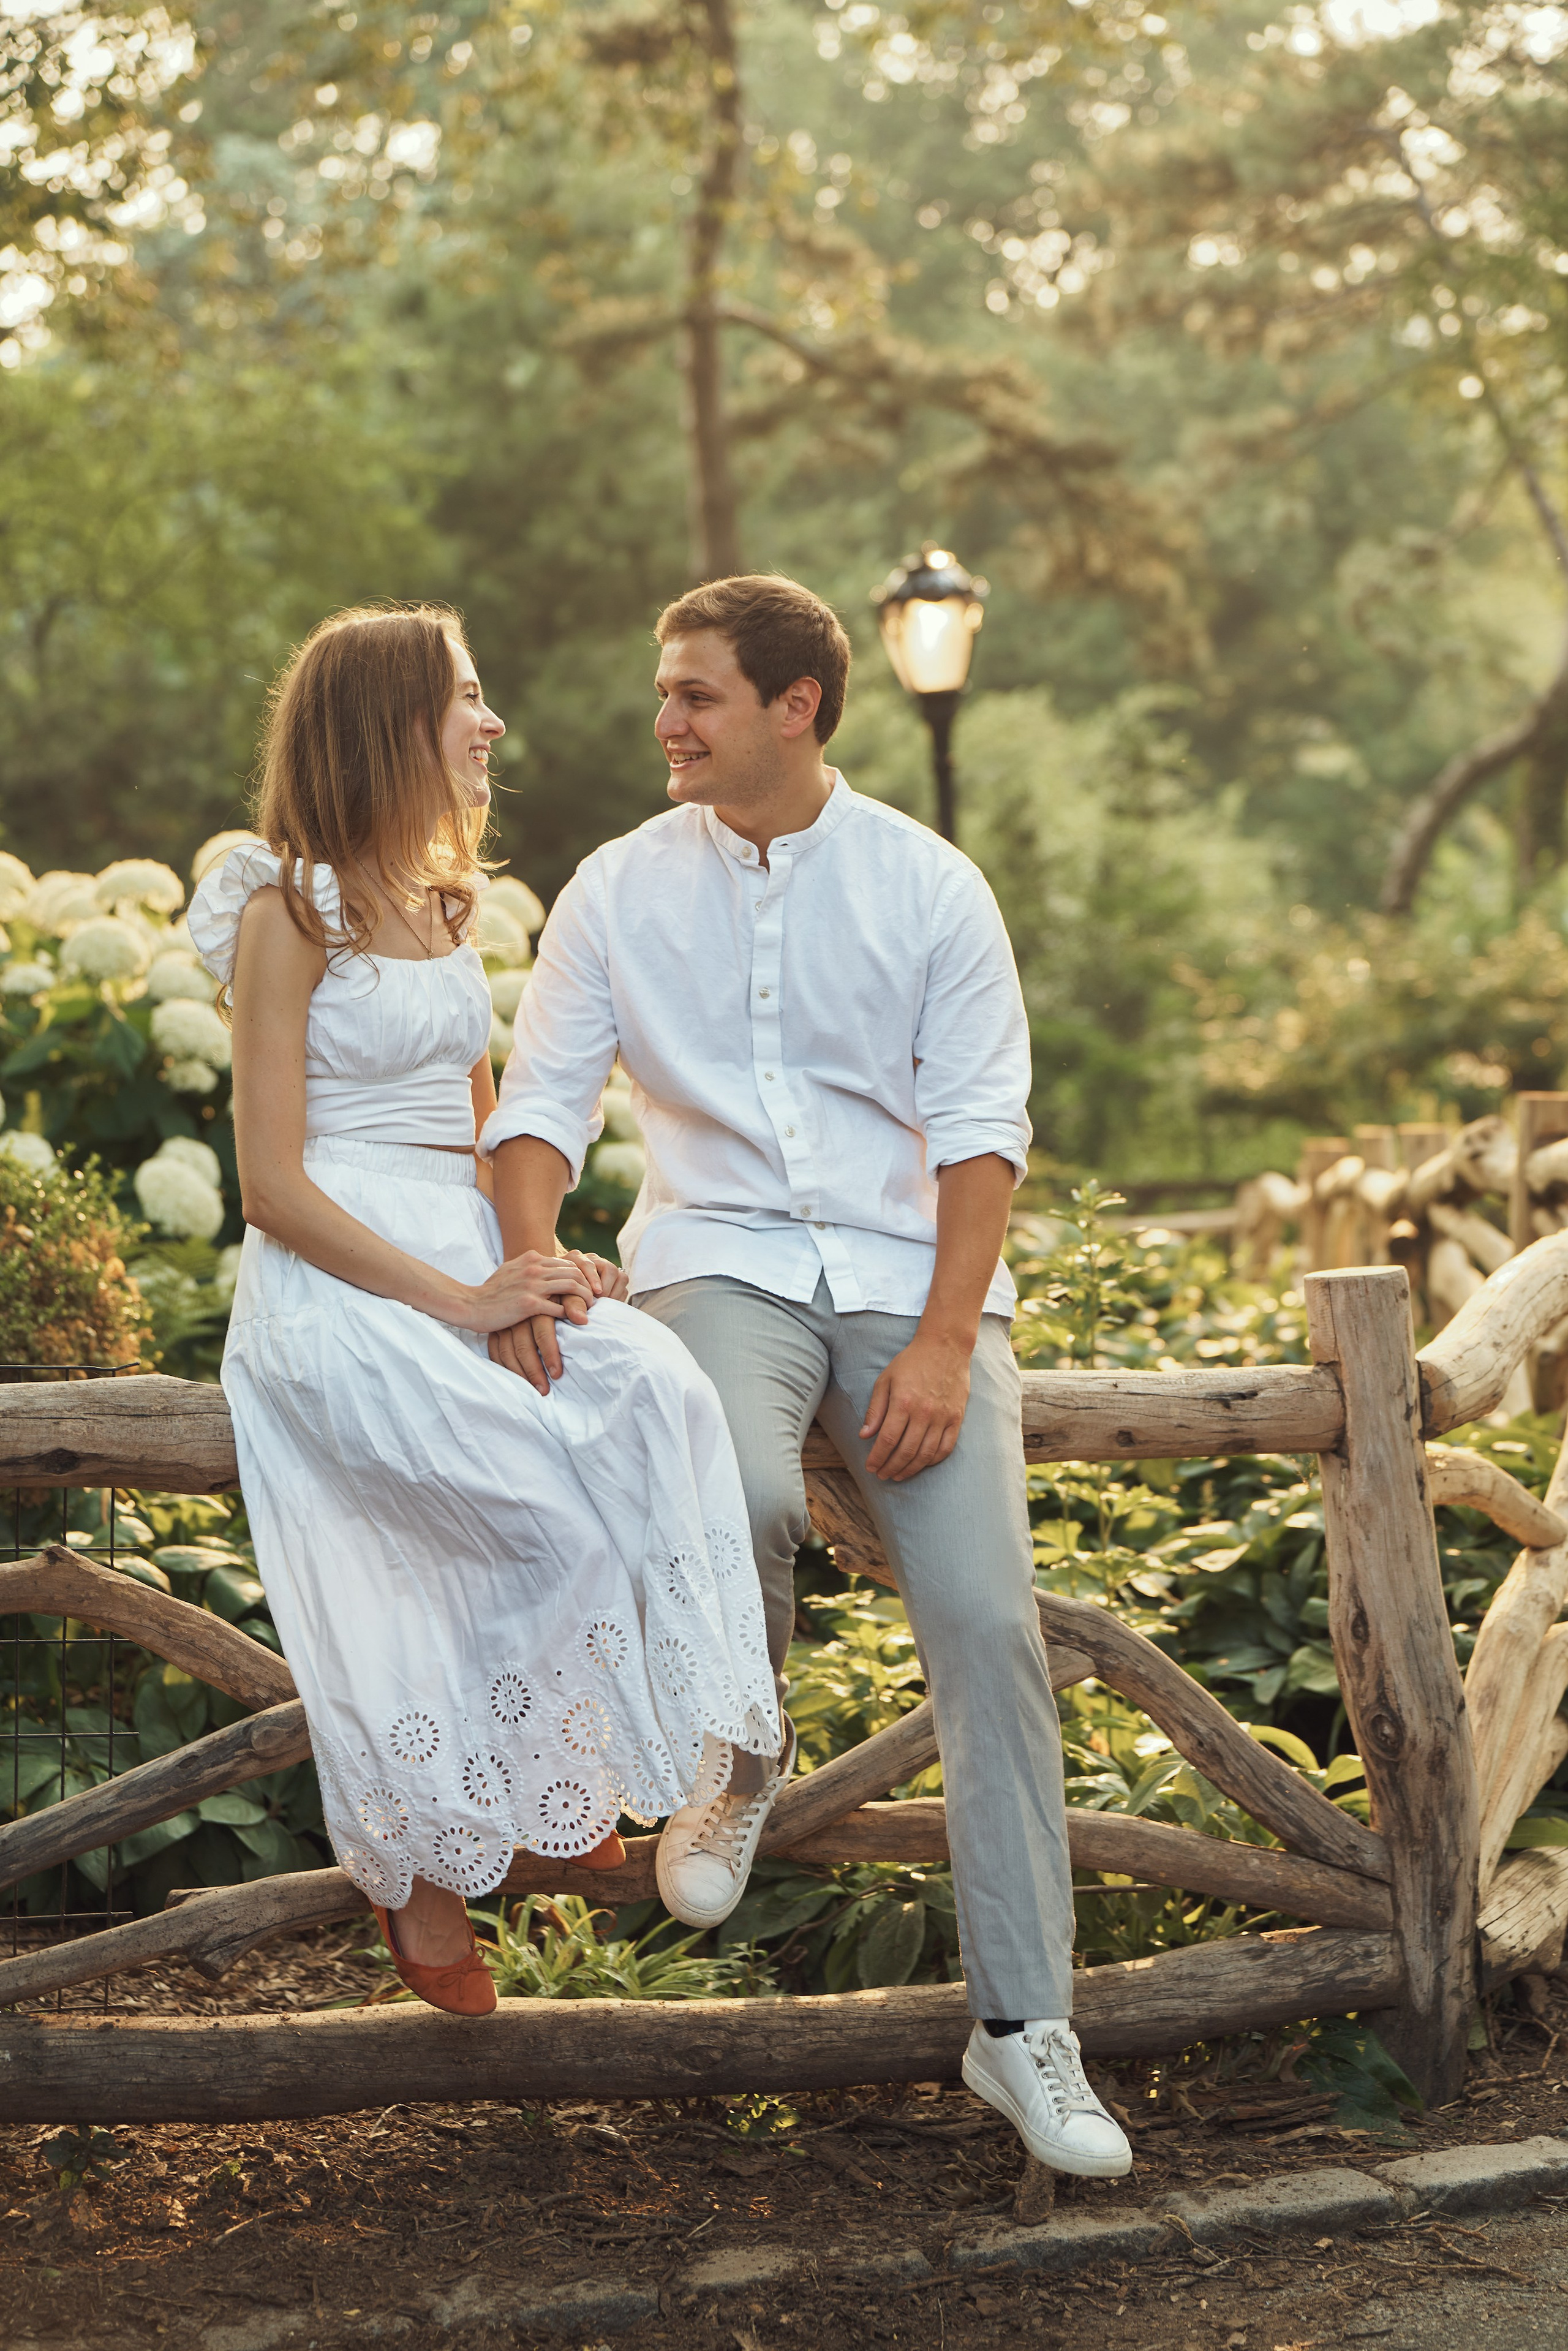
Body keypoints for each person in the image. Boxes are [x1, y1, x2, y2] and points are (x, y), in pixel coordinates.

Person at [481, 573, 1131, 2177]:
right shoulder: (618, 888)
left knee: (989, 1624)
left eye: (697, 693)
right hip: (722, 1264)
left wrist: (934, 1342)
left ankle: (1024, 2029)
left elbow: (984, 1135)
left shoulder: (930, 886)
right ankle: (741, 1746)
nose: (666, 721)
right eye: (665, 690)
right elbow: (541, 1106)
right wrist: (532, 1251)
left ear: (798, 706)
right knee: (749, 1490)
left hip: (921, 1284)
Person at [188, 603, 778, 2018]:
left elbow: (476, 1126)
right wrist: (459, 1299)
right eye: (465, 695)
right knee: (521, 1495)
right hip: (340, 1272)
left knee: (652, 1391)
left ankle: (680, 1755)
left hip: (458, 1246)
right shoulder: (286, 910)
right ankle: (420, 1857)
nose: (491, 720)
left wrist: (539, 1264)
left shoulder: (448, 904)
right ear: (388, 720)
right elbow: (270, 1183)